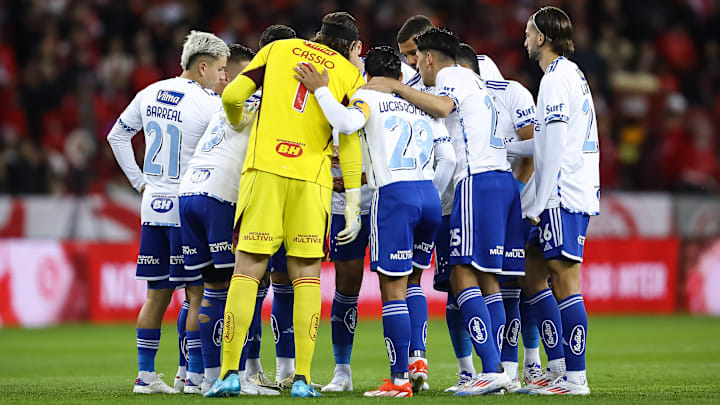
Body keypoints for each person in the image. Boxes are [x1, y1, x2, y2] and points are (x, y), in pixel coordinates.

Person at [204, 12, 365, 398]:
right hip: (312, 180)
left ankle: (228, 373)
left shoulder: (277, 49)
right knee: (306, 273)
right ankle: (303, 379)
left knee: (248, 269)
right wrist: (354, 204)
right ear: (350, 47)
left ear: (318, 36)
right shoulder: (348, 75)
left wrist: (239, 121)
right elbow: (351, 139)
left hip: (264, 171)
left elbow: (230, 96)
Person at [363, 28, 524, 396]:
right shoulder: (477, 80)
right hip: (503, 180)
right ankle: (499, 371)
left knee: (462, 276)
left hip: (476, 182)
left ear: (430, 58)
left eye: (417, 60)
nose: (416, 67)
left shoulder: (451, 78)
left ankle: (491, 368)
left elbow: (441, 107)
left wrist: (394, 87)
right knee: (489, 281)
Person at [293, 45, 455, 397]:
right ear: (399, 76)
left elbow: (346, 122)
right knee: (412, 283)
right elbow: (449, 157)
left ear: (369, 75)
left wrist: (321, 88)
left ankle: (398, 381)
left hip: (391, 199)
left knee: (391, 291)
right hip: (427, 195)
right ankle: (415, 364)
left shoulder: (365, 97)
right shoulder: (419, 102)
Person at [106, 30, 229, 394]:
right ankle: (192, 376)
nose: (223, 78)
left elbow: (117, 135)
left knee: (156, 295)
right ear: (202, 66)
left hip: (152, 204)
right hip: (185, 206)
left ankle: (145, 377)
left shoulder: (150, 92)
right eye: (220, 70)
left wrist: (139, 182)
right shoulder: (208, 103)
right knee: (196, 294)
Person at [177, 43, 279, 396]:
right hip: (217, 197)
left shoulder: (226, 103)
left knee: (209, 291)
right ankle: (233, 375)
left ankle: (208, 376)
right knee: (235, 287)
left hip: (188, 193)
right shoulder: (261, 101)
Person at [509, 6, 599, 395]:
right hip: (562, 191)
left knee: (565, 280)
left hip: (562, 195)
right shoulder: (565, 74)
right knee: (533, 274)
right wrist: (499, 147)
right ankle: (557, 366)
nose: (525, 39)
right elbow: (543, 138)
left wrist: (539, 203)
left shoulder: (556, 81)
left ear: (542, 37)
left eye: (529, 33)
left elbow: (557, 145)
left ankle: (575, 378)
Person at [453, 42, 539, 392]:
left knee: (503, 284)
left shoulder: (493, 94)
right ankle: (503, 370)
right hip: (501, 193)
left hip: (500, 193)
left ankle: (512, 366)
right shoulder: (489, 96)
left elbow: (534, 146)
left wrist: (521, 193)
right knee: (497, 284)